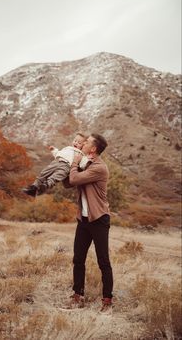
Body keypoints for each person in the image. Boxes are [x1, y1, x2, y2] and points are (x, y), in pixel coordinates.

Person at [66, 133, 113, 312]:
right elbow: (68, 183)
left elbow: (74, 179)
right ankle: (78, 295)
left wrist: (74, 163)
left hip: (99, 219)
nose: (83, 143)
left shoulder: (99, 168)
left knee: (103, 261)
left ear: (93, 149)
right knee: (78, 258)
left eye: (87, 142)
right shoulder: (86, 163)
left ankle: (107, 301)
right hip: (83, 220)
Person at [22, 133, 88, 197]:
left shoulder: (81, 154)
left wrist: (87, 164)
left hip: (66, 166)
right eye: (75, 140)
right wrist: (54, 150)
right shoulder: (68, 148)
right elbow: (59, 153)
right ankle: (34, 187)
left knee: (56, 176)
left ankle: (46, 185)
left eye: (79, 143)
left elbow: (83, 164)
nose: (76, 143)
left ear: (83, 146)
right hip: (56, 161)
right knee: (44, 173)